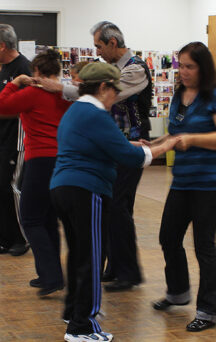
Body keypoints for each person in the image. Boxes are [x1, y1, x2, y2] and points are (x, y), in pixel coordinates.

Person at [49, 62, 178, 342]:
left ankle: (74, 312)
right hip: (86, 189)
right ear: (103, 87)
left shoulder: (77, 111)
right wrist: (163, 147)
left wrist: (139, 144)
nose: (116, 97)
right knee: (93, 257)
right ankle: (83, 327)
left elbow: (106, 145)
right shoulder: (95, 114)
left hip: (65, 188)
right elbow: (129, 158)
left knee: (80, 255)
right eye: (114, 91)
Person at [35, 21, 153, 292]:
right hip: (113, 142)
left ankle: (127, 272)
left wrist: (60, 89)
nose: (98, 52)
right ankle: (115, 267)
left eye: (99, 46)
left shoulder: (135, 69)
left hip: (129, 141)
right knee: (112, 205)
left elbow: (104, 93)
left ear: (113, 43)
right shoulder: (116, 69)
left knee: (119, 207)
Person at [150, 42, 216, 332]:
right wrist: (153, 145)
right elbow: (174, 135)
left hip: (210, 184)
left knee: (204, 246)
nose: (183, 72)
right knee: (168, 237)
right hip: (182, 181)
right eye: (181, 66)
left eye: (190, 66)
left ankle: (208, 311)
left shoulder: (215, 96)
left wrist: (194, 139)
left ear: (203, 67)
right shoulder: (178, 96)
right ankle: (178, 293)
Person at [0, 49, 71, 295]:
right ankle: (50, 275)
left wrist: (15, 84)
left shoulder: (32, 93)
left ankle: (51, 276)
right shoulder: (65, 95)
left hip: (40, 160)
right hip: (61, 161)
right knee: (48, 219)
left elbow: (1, 106)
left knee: (30, 218)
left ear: (37, 72)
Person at [0, 24, 31, 256]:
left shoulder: (24, 69)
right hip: (3, 137)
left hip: (18, 140)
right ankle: (5, 237)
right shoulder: (4, 69)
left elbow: (23, 107)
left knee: (12, 188)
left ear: (2, 46)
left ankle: (21, 238)